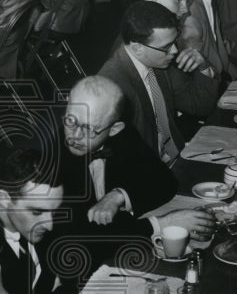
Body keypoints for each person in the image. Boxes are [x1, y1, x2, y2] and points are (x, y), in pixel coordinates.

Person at [57, 76, 214, 237]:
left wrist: (117, 196)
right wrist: (163, 223)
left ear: (114, 129)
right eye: (71, 120)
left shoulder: (122, 136)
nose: (75, 136)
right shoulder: (53, 159)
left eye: (89, 129)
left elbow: (165, 181)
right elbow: (88, 237)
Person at [98, 0, 218, 165]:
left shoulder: (159, 63)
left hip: (176, 153)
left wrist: (204, 66)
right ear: (137, 48)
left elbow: (199, 106)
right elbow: (124, 159)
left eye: (174, 42)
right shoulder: (113, 86)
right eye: (167, 46)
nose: (175, 51)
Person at [0, 147, 72, 294]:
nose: (49, 225)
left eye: (54, 212)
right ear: (4, 200)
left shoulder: (38, 220)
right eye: (37, 212)